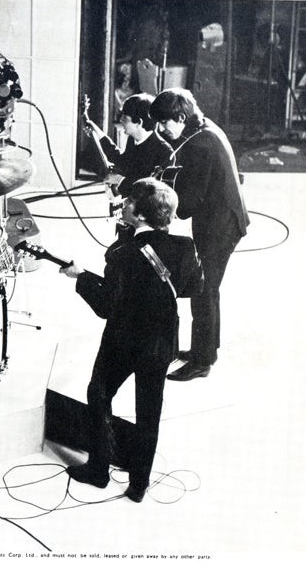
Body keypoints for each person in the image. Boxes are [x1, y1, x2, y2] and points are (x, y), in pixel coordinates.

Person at [60, 178, 203, 502]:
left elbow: (106, 306)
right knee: (149, 412)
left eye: (128, 201)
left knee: (99, 394)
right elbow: (193, 287)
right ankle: (139, 485)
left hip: (123, 341)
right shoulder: (185, 246)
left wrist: (80, 278)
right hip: (161, 341)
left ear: (139, 214)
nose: (122, 203)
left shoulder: (123, 254)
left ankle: (98, 470)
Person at [149, 88, 249, 382]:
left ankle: (202, 362)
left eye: (164, 122)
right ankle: (205, 350)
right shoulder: (203, 128)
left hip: (220, 225)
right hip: (224, 218)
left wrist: (161, 194)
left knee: (203, 289)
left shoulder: (199, 145)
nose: (161, 129)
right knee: (208, 289)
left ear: (181, 117)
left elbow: (188, 204)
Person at [84, 93, 173, 199]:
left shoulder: (165, 152)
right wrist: (97, 131)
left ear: (139, 122)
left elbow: (149, 191)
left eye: (125, 117)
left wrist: (119, 180)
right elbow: (122, 161)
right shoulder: (133, 140)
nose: (121, 120)